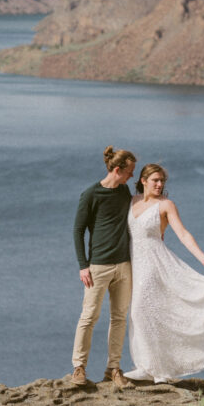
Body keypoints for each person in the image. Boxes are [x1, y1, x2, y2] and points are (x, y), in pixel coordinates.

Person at [124, 163, 204, 383]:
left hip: (154, 263)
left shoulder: (166, 205)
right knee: (141, 314)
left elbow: (182, 233)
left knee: (141, 310)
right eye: (155, 180)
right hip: (133, 263)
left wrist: (202, 258)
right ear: (143, 181)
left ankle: (153, 369)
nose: (160, 184)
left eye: (162, 180)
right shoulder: (131, 202)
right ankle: (150, 365)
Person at [70, 146, 136, 388]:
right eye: (129, 172)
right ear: (117, 170)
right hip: (97, 267)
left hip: (124, 266)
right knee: (89, 316)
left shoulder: (125, 191)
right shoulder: (90, 194)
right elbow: (78, 231)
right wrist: (82, 266)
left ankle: (113, 368)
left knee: (119, 317)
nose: (132, 176)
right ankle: (79, 367)